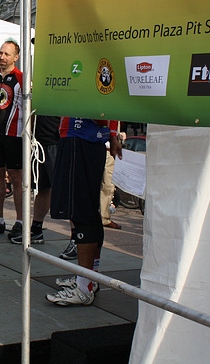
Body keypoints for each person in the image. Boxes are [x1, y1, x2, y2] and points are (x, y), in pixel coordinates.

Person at [46, 117, 122, 306]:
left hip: (79, 138)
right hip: (84, 139)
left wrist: (111, 134)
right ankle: (88, 278)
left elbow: (103, 109)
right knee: (88, 211)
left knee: (81, 213)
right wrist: (112, 135)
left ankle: (84, 286)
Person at [0, 39, 25, 241]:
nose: (2, 57)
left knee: (17, 179)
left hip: (15, 135)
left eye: (7, 54)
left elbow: (30, 110)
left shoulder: (21, 78)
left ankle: (20, 221)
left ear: (16, 57)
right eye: (0, 53)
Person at [9, 115, 60, 246]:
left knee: (63, 190)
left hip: (56, 139)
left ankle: (77, 237)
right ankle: (36, 229)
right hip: (38, 140)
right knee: (42, 187)